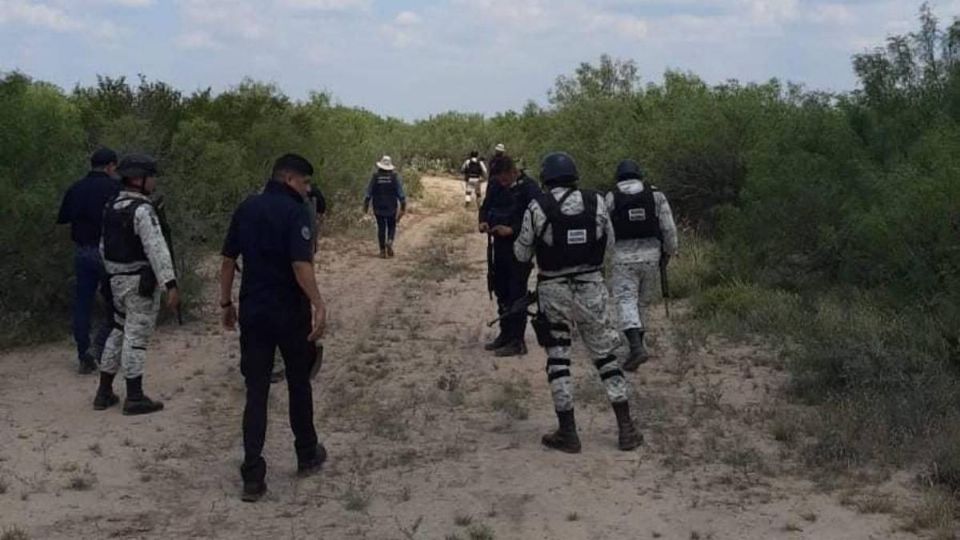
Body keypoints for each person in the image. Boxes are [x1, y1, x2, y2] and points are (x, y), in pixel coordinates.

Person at [514, 152, 642, 453]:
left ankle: (568, 433)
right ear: (574, 175)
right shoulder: (596, 201)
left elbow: (522, 253)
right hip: (591, 286)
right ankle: (626, 429)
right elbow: (609, 244)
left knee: (558, 358)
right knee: (606, 356)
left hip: (553, 288)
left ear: (545, 178)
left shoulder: (537, 206)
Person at [219, 153, 328, 503]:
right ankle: (307, 452)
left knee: (257, 390)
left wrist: (226, 303)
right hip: (289, 312)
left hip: (253, 310)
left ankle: (253, 473)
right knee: (299, 384)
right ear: (289, 179)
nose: (307, 189)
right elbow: (300, 265)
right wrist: (319, 304)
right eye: (305, 182)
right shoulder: (296, 211)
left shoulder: (247, 207)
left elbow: (227, 259)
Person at [94, 154, 179, 415]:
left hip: (115, 279)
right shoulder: (142, 210)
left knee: (118, 332)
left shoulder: (111, 206)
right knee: (136, 337)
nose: (154, 182)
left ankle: (104, 391)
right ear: (138, 179)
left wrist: (110, 276)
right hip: (139, 282)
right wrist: (170, 284)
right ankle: (134, 395)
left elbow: (102, 246)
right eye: (151, 177)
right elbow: (156, 249)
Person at [607, 160, 678, 371]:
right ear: (640, 175)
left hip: (623, 258)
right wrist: (670, 251)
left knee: (626, 300)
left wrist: (606, 254)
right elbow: (668, 227)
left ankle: (636, 347)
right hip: (652, 256)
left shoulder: (611, 196)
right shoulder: (656, 195)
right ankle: (637, 346)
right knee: (642, 303)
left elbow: (606, 228)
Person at [57, 148, 121, 374]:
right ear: (111, 166)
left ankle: (84, 352)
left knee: (82, 303)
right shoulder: (115, 188)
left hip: (83, 251)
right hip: (109, 252)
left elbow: (63, 217)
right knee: (115, 303)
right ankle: (102, 348)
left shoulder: (76, 188)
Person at [478, 154, 540, 356]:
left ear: (513, 171)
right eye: (498, 179)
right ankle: (505, 334)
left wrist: (513, 230)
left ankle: (517, 341)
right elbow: (486, 206)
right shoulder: (496, 185)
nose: (502, 183)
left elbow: (537, 217)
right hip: (499, 246)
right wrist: (483, 221)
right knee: (501, 289)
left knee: (517, 293)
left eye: (505, 179)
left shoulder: (529, 188)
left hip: (520, 248)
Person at [271, 183, 327, 384]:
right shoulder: (308, 196)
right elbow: (322, 211)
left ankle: (282, 360)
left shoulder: (269, 199)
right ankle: (299, 356)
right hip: (302, 253)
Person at [363, 156, 407, 258]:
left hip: (378, 206)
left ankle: (382, 251)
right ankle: (390, 241)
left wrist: (365, 206)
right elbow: (401, 194)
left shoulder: (375, 177)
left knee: (381, 227)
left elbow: (368, 193)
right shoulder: (394, 177)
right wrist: (403, 207)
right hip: (391, 206)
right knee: (392, 225)